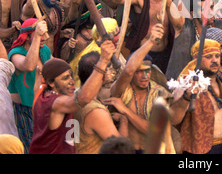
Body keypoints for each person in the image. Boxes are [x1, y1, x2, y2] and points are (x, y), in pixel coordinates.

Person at [29, 41, 115, 154]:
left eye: (70, 75)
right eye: (65, 78)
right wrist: (103, 61)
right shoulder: (56, 103)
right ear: (51, 83)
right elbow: (82, 99)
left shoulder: (44, 94)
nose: (71, 81)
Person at [105, 23, 176, 154]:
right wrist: (150, 41)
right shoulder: (121, 90)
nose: (145, 76)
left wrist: (125, 111)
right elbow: (127, 71)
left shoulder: (160, 93)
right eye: (139, 72)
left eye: (147, 71)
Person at [73, 51, 128, 154]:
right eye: (108, 69)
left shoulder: (74, 97)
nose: (112, 72)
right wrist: (123, 121)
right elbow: (121, 149)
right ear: (102, 74)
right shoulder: (96, 111)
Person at [8, 19, 50, 153]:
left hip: (42, 107)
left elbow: (54, 67)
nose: (43, 38)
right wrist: (37, 36)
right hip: (23, 110)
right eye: (39, 34)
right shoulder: (15, 53)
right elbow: (29, 65)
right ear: (27, 37)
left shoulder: (44, 50)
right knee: (30, 147)